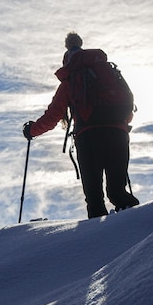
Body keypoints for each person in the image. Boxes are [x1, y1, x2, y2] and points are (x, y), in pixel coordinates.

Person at [23, 32, 139, 219]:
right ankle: (144, 232)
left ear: (67, 61)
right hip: (118, 134)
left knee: (94, 199)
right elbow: (128, 107)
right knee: (117, 192)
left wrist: (31, 130)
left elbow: (53, 116)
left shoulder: (70, 81)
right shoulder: (109, 73)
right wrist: (118, 125)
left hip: (88, 138)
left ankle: (98, 244)